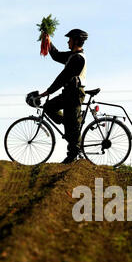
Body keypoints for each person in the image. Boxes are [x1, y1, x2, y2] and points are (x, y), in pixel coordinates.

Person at [39, 29, 88, 164]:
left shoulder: (78, 58)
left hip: (75, 94)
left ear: (76, 41)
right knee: (49, 107)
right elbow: (56, 55)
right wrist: (47, 41)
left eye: (70, 39)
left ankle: (73, 154)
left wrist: (48, 91)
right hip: (68, 93)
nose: (68, 41)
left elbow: (63, 77)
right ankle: (68, 124)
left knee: (72, 126)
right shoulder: (71, 56)